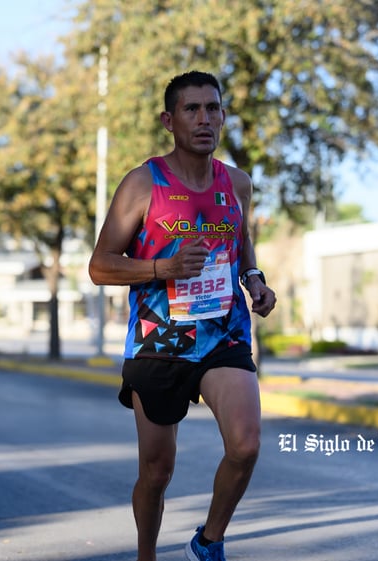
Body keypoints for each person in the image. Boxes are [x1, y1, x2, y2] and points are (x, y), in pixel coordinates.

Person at [88, 71, 276, 561]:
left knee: (246, 444)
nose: (204, 118)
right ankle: (146, 555)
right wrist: (161, 268)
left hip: (223, 335)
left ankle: (209, 540)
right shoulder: (142, 184)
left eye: (212, 108)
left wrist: (253, 277)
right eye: (191, 109)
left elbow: (241, 242)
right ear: (169, 121)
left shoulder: (236, 183)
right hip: (160, 341)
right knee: (157, 471)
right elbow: (100, 265)